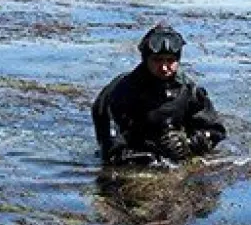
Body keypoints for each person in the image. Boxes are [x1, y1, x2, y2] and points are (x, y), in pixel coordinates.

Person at [91, 22, 226, 166]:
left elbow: (216, 131)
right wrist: (144, 156)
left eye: (170, 60)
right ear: (145, 60)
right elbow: (110, 149)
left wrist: (189, 143)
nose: (164, 67)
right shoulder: (119, 92)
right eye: (157, 60)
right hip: (134, 153)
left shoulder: (189, 91)